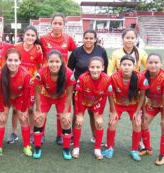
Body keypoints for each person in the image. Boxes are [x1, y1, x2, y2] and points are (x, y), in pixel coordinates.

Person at [102, 55, 149, 161]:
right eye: (124, 64)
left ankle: (134, 150)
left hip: (134, 105)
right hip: (117, 104)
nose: (126, 67)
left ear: (134, 66)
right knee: (112, 122)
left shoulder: (140, 77)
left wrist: (138, 112)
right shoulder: (113, 77)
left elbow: (142, 96)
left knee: (137, 124)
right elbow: (110, 95)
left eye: (129, 65)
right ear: (119, 66)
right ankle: (109, 148)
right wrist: (113, 111)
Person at [40, 13, 77, 145]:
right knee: (42, 110)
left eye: (60, 23)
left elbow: (76, 54)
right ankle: (41, 134)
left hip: (62, 79)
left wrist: (71, 70)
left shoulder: (68, 39)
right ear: (51, 24)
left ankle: (60, 135)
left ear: (63, 25)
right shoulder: (43, 39)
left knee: (61, 111)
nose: (57, 26)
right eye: (55, 23)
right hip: (47, 79)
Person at [33, 50, 76, 160]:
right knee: (39, 119)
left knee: (66, 121)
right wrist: (38, 110)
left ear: (62, 62)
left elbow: (70, 93)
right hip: (45, 96)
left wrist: (66, 112)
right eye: (51, 61)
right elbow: (37, 93)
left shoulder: (69, 73)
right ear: (47, 62)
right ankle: (37, 147)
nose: (54, 64)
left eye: (57, 61)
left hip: (62, 97)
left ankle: (66, 149)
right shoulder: (41, 73)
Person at [68, 29, 109, 144]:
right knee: (77, 112)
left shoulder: (101, 51)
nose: (88, 40)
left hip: (96, 88)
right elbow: (69, 70)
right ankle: (72, 135)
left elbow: (104, 69)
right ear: (83, 39)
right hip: (79, 88)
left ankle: (95, 135)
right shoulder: (76, 51)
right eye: (86, 38)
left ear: (95, 39)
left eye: (91, 38)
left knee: (93, 112)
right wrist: (71, 86)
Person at [139, 53, 164, 166]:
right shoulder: (142, 75)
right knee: (144, 123)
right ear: (146, 64)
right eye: (150, 62)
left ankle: (162, 155)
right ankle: (147, 148)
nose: (153, 65)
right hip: (153, 102)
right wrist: (143, 112)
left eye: (156, 62)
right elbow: (141, 95)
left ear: (161, 64)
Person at [72, 57, 114, 160]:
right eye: (92, 67)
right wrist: (79, 114)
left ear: (103, 68)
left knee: (99, 123)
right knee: (78, 122)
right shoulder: (82, 78)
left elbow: (104, 97)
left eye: (98, 67)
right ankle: (76, 147)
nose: (95, 70)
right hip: (82, 102)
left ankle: (97, 149)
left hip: (97, 102)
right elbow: (78, 96)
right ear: (89, 68)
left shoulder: (107, 79)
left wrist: (99, 115)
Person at [0, 48, 33, 157]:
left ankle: (27, 146)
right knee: (2, 119)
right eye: (10, 60)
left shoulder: (26, 75)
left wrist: (24, 110)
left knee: (23, 119)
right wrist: (1, 110)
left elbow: (26, 95)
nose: (13, 63)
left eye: (16, 60)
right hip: (4, 97)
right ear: (5, 60)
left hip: (20, 97)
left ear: (20, 61)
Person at [9, 25, 43, 144]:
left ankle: (32, 133)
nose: (30, 37)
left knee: (29, 109)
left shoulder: (38, 50)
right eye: (28, 34)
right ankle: (14, 133)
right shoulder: (16, 47)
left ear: (36, 37)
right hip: (16, 83)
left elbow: (39, 68)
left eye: (33, 35)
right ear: (23, 36)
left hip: (31, 84)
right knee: (14, 110)